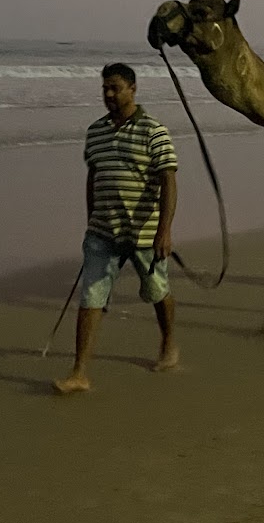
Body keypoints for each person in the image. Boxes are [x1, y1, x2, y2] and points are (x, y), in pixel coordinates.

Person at [53, 62, 179, 395]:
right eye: (105, 88)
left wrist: (164, 230)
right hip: (102, 233)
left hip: (143, 233)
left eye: (115, 88)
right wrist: (90, 219)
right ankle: (79, 372)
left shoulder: (155, 130)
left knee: (157, 291)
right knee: (91, 298)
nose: (109, 94)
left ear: (133, 89)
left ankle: (168, 343)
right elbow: (93, 177)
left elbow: (168, 180)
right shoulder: (95, 131)